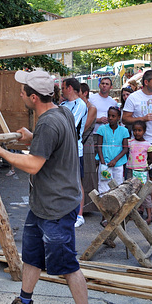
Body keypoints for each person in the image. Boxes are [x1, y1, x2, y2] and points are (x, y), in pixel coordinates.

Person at [0, 70, 97, 304]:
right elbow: (54, 144)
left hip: (56, 206)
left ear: (34, 97)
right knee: (32, 257)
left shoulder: (49, 123)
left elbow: (34, 165)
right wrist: (30, 137)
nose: (20, 94)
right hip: (43, 203)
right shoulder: (62, 113)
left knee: (68, 266)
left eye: (23, 91)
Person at [122, 69, 152, 215]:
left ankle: (151, 209)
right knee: (139, 176)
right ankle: (138, 208)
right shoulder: (134, 97)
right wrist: (143, 118)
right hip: (142, 144)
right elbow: (125, 118)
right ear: (146, 82)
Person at [60, 77, 88, 228]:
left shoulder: (80, 105)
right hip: (62, 150)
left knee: (77, 182)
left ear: (70, 88)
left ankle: (79, 215)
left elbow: (70, 124)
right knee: (64, 182)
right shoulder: (63, 104)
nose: (62, 90)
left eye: (63, 87)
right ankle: (66, 212)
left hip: (75, 150)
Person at [95, 106, 129, 193]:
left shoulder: (124, 130)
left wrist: (115, 160)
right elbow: (99, 146)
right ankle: (103, 206)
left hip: (118, 163)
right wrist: (102, 162)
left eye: (113, 116)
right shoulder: (102, 129)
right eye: (109, 115)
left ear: (118, 118)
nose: (110, 118)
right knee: (103, 187)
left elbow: (125, 149)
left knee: (118, 186)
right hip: (105, 163)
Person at [127, 121, 152, 224]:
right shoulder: (130, 143)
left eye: (139, 130)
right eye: (134, 130)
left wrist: (148, 168)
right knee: (131, 192)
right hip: (131, 171)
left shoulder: (148, 145)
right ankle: (131, 214)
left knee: (145, 193)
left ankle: (149, 215)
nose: (137, 133)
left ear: (144, 131)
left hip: (142, 172)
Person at [79, 83, 98, 211]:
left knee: (88, 173)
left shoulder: (91, 108)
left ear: (85, 93)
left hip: (87, 142)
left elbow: (84, 127)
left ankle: (88, 206)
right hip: (79, 142)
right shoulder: (77, 106)